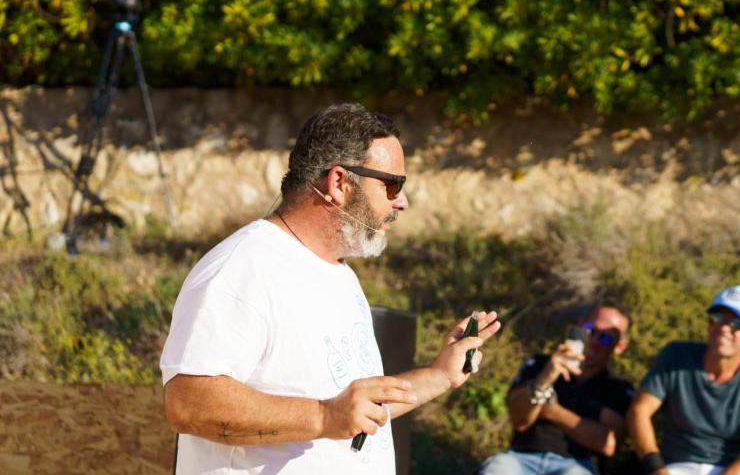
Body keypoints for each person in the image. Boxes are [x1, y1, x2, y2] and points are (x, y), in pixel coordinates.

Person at [160, 103, 501, 474]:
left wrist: (440, 375)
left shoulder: (338, 273)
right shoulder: (243, 267)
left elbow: (353, 413)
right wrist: (322, 416)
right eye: (392, 184)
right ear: (339, 182)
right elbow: (188, 403)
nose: (401, 201)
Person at [627, 286, 740, 475]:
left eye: (736, 323)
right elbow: (639, 411)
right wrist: (656, 468)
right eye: (717, 319)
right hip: (670, 468)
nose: (724, 328)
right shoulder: (674, 355)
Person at [476, 300, 635, 475]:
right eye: (591, 329)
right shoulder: (539, 364)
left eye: (606, 338)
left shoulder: (618, 387)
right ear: (581, 327)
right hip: (521, 457)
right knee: (497, 469)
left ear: (619, 346)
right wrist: (544, 379)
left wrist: (552, 409)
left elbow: (607, 444)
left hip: (577, 464)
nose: (595, 341)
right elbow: (520, 421)